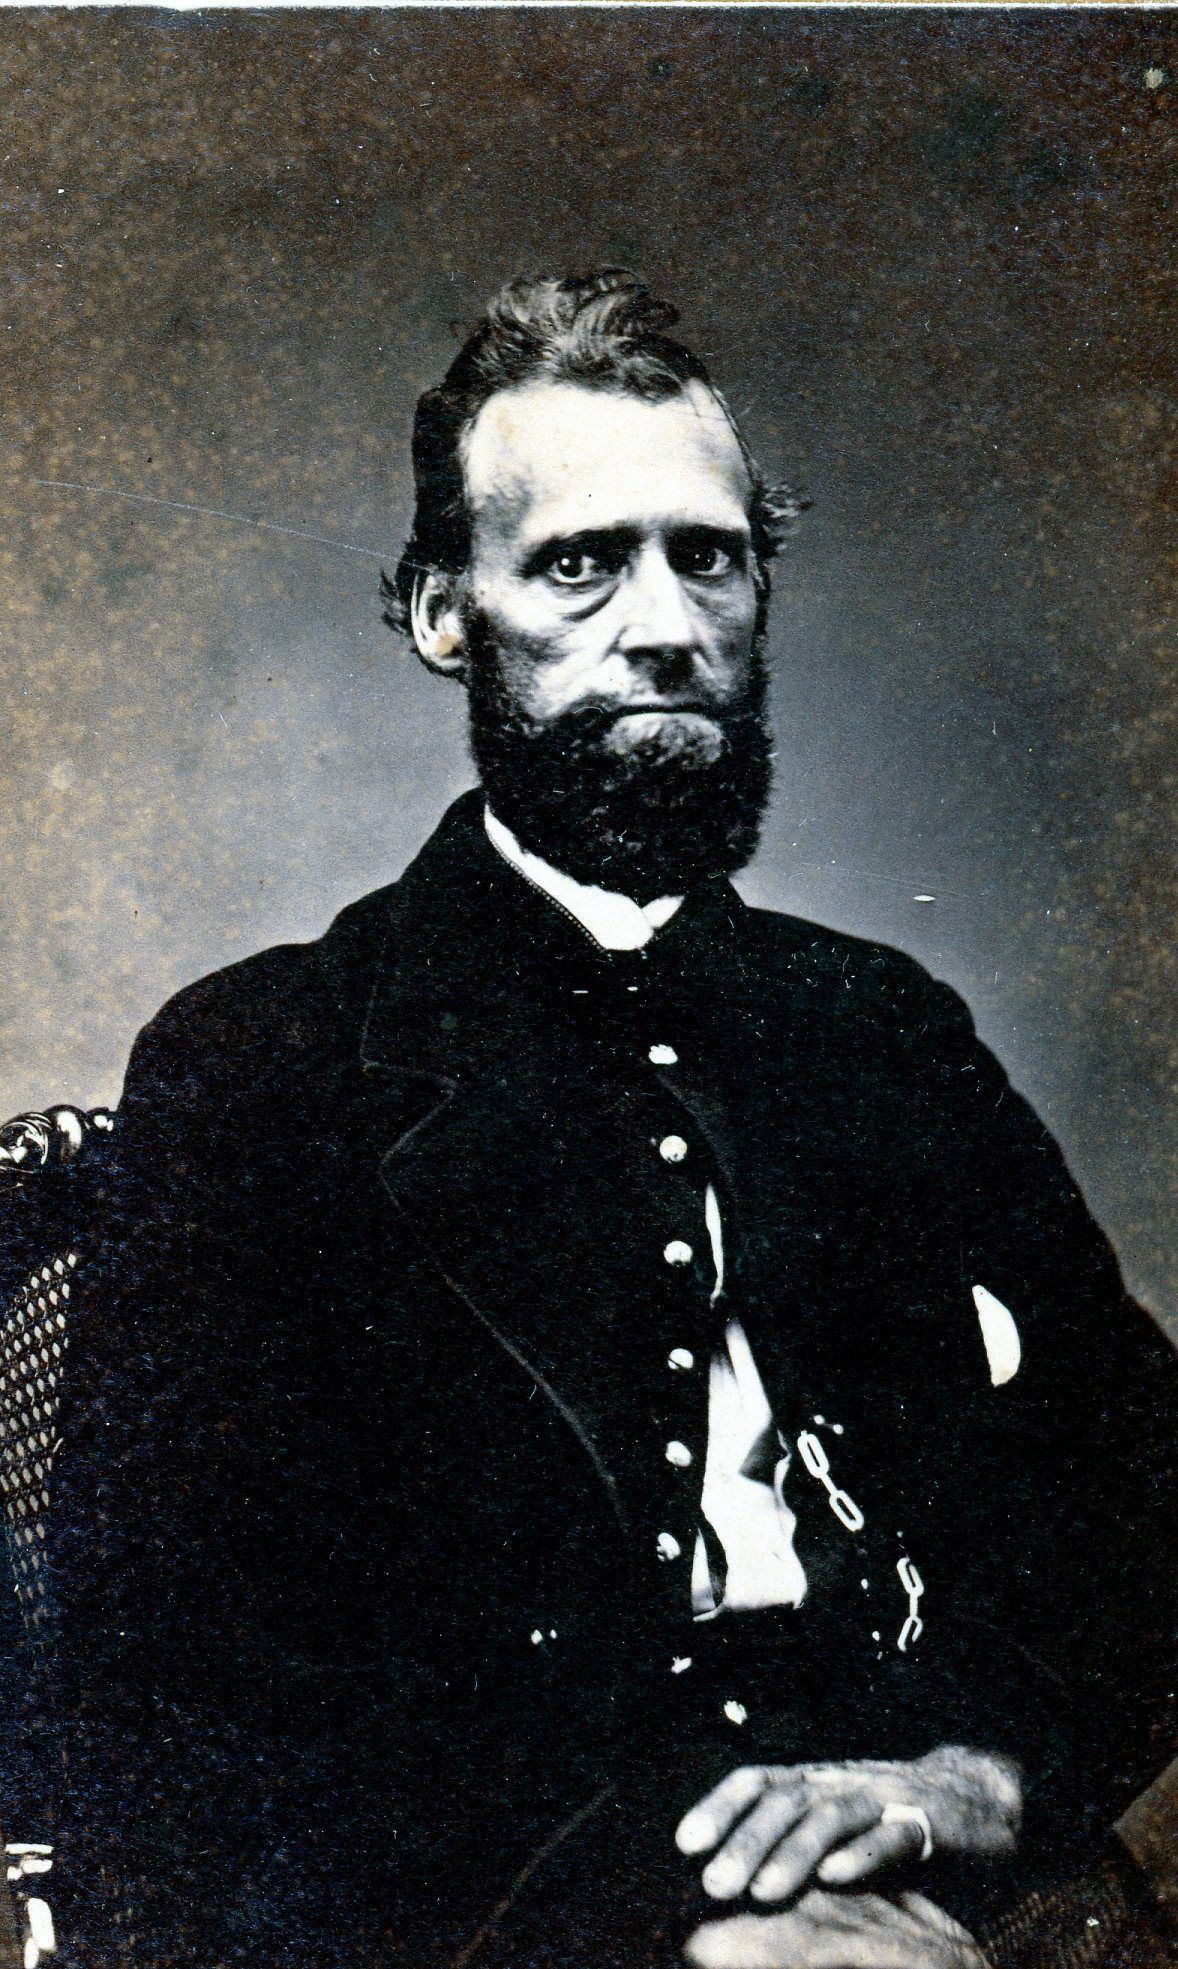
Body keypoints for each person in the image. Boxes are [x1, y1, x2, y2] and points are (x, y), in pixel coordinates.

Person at [34, 271, 1176, 1969]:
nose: (664, 623)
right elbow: (172, 1711)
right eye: (580, 563)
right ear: (445, 614)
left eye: (708, 556)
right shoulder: (264, 1062)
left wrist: (976, 1777)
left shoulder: (881, 1027)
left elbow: (1142, 1482)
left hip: (950, 1869)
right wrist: (666, 1922)